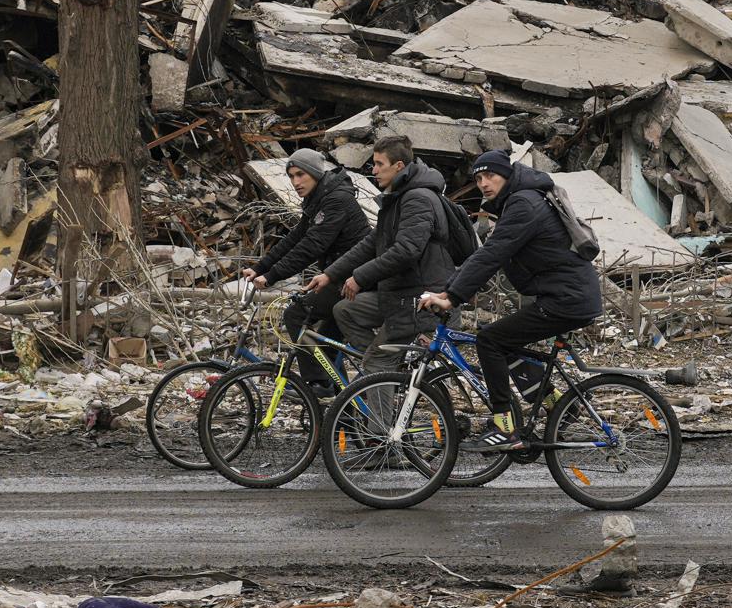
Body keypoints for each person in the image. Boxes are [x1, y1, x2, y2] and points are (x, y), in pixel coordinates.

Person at [421, 149, 601, 451]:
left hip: (567, 299)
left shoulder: (523, 204)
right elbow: (487, 252)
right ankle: (558, 404)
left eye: (490, 175)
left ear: (507, 174)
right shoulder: (521, 200)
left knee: (489, 341)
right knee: (505, 342)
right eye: (478, 178)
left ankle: (504, 427)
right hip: (567, 296)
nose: (483, 183)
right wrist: (448, 289)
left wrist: (452, 297)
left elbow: (494, 254)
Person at [308, 135, 453, 370]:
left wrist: (360, 277)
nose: (373, 170)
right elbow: (371, 242)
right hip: (397, 293)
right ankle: (390, 371)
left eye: (379, 164)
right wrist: (330, 274)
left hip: (419, 297)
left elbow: (406, 250)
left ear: (398, 166)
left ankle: (381, 371)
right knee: (345, 310)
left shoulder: (418, 198)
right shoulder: (398, 196)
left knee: (376, 363)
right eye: (373, 164)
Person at [240, 149, 370, 350]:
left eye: (301, 175)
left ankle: (316, 381)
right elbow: (295, 237)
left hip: (353, 278)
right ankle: (331, 381)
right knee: (326, 341)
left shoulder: (336, 200)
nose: (295, 182)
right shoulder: (318, 198)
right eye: (291, 176)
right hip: (341, 276)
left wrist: (272, 276)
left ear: (316, 173)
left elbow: (312, 246)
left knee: (296, 315)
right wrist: (260, 267)